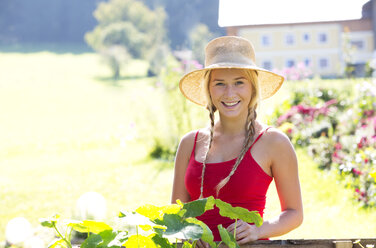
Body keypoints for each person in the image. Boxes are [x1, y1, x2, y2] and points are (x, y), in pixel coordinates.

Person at [171, 36, 303, 247]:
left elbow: (294, 213)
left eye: (239, 82)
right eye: (220, 84)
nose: (230, 93)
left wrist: (258, 230)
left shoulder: (274, 142)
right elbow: (176, 215)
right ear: (209, 89)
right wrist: (188, 234)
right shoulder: (190, 143)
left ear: (252, 87)